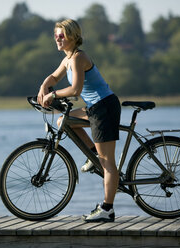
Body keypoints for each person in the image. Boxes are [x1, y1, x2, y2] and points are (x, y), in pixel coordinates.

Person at [37, 19, 121, 222]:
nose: (57, 39)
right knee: (62, 122)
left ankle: (107, 209)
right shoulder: (68, 59)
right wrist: (43, 87)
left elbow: (75, 90)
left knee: (107, 162)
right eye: (56, 35)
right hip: (96, 107)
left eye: (61, 35)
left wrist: (53, 95)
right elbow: (54, 77)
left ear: (73, 37)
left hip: (104, 107)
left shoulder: (78, 58)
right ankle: (92, 156)